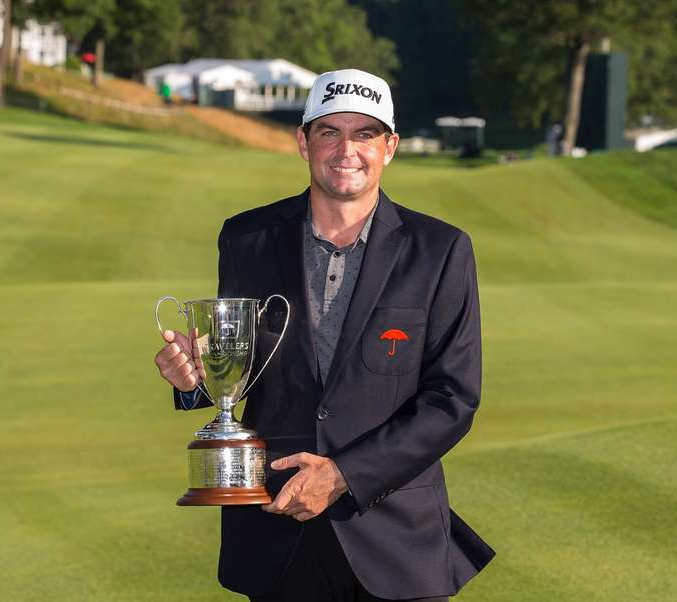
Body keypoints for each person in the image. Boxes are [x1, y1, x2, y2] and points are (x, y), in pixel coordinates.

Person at [154, 68, 494, 602]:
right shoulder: (247, 238)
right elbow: (236, 370)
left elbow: (453, 399)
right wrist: (194, 379)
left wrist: (342, 474)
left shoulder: (441, 250)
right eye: (329, 132)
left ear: (391, 146)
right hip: (278, 534)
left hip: (396, 540)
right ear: (302, 141)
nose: (346, 150)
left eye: (364, 134)